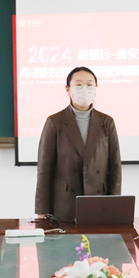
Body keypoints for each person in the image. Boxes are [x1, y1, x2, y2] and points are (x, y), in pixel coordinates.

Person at [35, 67, 122, 223]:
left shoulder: (106, 122)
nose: (85, 89)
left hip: (98, 202)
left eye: (90, 85)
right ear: (68, 89)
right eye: (79, 84)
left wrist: (114, 205)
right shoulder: (55, 122)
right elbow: (44, 171)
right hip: (64, 206)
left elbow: (115, 167)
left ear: (96, 88)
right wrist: (42, 212)